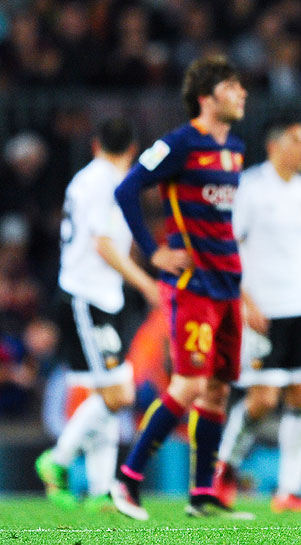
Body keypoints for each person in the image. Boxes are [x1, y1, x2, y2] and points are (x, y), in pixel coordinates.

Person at [110, 55, 249, 521]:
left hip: (228, 283)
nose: (243, 93)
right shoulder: (178, 144)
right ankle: (127, 479)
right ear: (208, 98)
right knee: (189, 384)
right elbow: (127, 189)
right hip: (192, 286)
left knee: (217, 391)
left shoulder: (235, 148)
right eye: (233, 87)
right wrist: (153, 251)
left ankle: (202, 495)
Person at [35, 118, 159, 512]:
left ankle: (103, 488)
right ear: (133, 148)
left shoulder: (88, 180)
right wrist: (145, 283)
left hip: (96, 296)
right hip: (86, 298)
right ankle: (56, 461)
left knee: (106, 394)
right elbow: (103, 244)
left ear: (94, 145)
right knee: (118, 392)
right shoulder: (105, 183)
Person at [212, 119, 301, 513]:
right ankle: (224, 469)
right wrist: (246, 302)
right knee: (262, 399)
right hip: (264, 309)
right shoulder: (249, 189)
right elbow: (229, 248)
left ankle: (289, 490)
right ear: (275, 145)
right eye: (299, 141)